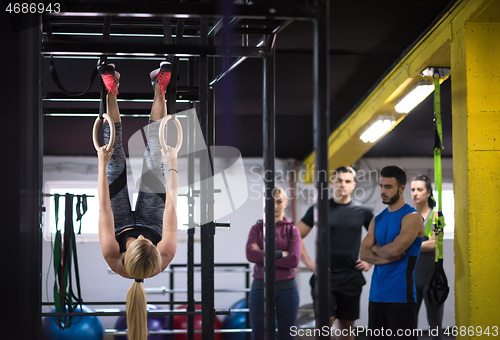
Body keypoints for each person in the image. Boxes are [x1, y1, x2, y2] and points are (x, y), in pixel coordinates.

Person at [97, 62, 178, 340]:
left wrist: (101, 163)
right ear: (154, 249)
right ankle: (159, 89)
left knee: (113, 152)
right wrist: (173, 163)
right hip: (154, 216)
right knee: (156, 151)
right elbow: (171, 205)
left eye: (137, 240)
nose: (141, 236)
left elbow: (104, 206)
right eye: (147, 239)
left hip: (117, 220)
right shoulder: (163, 254)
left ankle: (111, 90)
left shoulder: (111, 253)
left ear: (126, 251)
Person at [297, 166, 373, 340]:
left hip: (351, 278)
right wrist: (310, 263)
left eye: (347, 181)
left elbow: (380, 237)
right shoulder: (319, 209)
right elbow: (296, 235)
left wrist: (370, 261)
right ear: (332, 183)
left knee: (347, 329)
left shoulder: (363, 212)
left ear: (353, 185)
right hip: (325, 278)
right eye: (338, 180)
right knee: (324, 327)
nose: (342, 185)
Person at [360, 165, 424, 339]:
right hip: (376, 296)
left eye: (388, 187)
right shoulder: (377, 219)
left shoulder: (412, 217)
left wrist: (375, 248)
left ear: (401, 188)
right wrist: (383, 256)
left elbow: (396, 250)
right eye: (381, 186)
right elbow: (363, 253)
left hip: (401, 297)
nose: (383, 191)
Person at [246, 187, 301, 340]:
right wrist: (280, 254)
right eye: (271, 202)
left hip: (287, 290)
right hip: (260, 288)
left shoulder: (292, 230)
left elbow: (294, 259)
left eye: (279, 201)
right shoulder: (257, 229)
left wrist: (262, 255)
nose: (275, 206)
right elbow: (250, 254)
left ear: (285, 204)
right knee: (259, 335)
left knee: (287, 336)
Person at [411, 175, 444, 340]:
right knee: (408, 327)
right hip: (411, 276)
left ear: (428, 192)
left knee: (435, 327)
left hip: (432, 276)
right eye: (412, 190)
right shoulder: (407, 216)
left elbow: (435, 245)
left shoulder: (437, 215)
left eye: (419, 189)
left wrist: (410, 247)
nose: (415, 193)